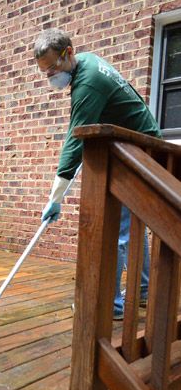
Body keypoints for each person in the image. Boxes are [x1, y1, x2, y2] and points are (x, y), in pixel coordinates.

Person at [34, 28, 162, 320]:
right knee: (130, 230)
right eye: (44, 71)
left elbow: (74, 140)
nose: (50, 75)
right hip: (140, 151)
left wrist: (56, 198)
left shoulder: (88, 83)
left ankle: (111, 305)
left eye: (53, 67)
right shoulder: (89, 62)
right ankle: (142, 292)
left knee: (116, 230)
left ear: (69, 52)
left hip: (139, 156)